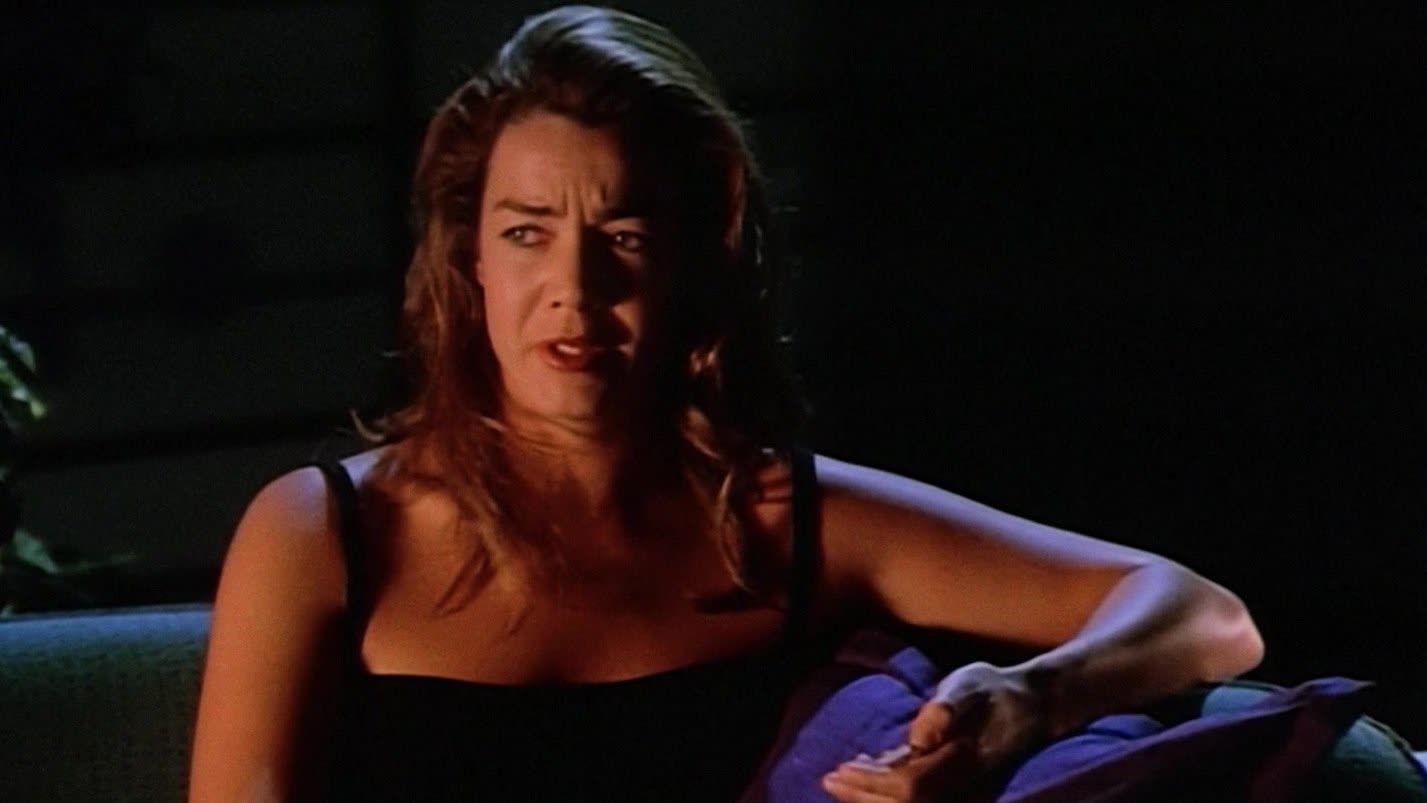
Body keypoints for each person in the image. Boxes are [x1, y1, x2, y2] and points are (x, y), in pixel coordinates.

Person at [187, 6, 1263, 802]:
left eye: (623, 237)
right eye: (525, 233)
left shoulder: (783, 522)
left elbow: (1203, 614)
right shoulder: (325, 531)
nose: (574, 287)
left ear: (693, 265)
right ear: (469, 262)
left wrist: (1030, 701)